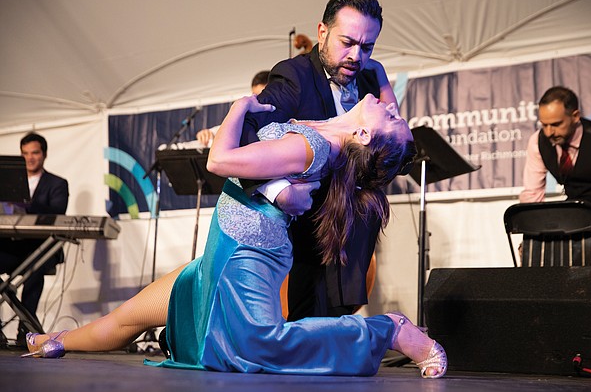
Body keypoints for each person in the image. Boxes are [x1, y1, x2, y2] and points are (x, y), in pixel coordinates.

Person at [23, 93, 446, 378]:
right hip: (224, 249)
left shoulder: (314, 146)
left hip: (246, 254)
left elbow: (219, 161)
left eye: (392, 118)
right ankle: (51, 341)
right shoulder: (327, 130)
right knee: (129, 318)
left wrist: (238, 107)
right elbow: (260, 169)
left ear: (365, 135)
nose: (392, 107)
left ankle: (388, 330)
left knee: (261, 346)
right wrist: (277, 188)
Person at [242, 0, 398, 321]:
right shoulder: (293, 76)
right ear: (322, 33)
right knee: (306, 324)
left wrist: (383, 81)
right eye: (347, 43)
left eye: (367, 47)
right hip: (306, 227)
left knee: (336, 328)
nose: (357, 56)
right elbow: (247, 130)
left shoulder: (371, 76)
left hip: (350, 233)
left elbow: (396, 145)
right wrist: (278, 190)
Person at [520, 86, 591, 272]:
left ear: (575, 116)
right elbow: (532, 194)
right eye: (544, 124)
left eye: (556, 124)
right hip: (576, 215)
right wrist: (529, 240)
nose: (549, 132)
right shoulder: (537, 141)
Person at [0, 132, 69, 347]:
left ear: (44, 155)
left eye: (35, 153)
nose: (30, 158)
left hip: (40, 248)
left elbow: (57, 213)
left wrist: (24, 203)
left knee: (34, 271)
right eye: (25, 154)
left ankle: (26, 331)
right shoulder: (6, 183)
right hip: (12, 247)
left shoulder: (57, 183)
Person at [195, 70, 270, 147]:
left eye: (262, 96)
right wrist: (207, 133)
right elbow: (226, 130)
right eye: (255, 96)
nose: (257, 100)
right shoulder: (248, 116)